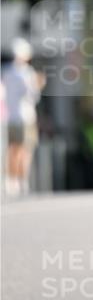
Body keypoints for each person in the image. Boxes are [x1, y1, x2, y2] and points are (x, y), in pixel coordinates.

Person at [2, 37, 46, 197]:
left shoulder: (5, 72)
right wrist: (39, 84)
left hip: (9, 117)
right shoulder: (27, 73)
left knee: (11, 150)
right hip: (25, 116)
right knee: (24, 150)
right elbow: (32, 96)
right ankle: (21, 181)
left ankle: (10, 180)